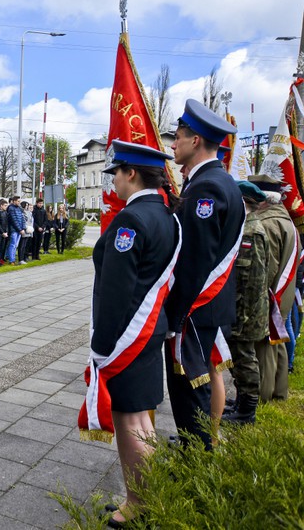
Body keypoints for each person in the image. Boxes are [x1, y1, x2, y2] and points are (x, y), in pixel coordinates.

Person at [78, 140, 181, 529]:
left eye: (116, 173)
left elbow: (118, 291)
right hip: (150, 329)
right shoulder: (166, 216)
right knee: (142, 420)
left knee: (129, 420)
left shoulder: (131, 221)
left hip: (128, 337)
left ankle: (139, 504)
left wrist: (102, 347)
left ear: (131, 174)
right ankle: (143, 496)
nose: (114, 182)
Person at [164, 99, 245, 450]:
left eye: (178, 138)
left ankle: (195, 462)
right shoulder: (220, 181)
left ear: (195, 140)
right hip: (211, 307)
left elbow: (194, 260)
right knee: (205, 382)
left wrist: (173, 315)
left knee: (191, 389)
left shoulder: (206, 188)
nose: (172, 145)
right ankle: (203, 447)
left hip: (197, 310)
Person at [248, 173, 299, 402]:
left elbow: (265, 267)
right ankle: (278, 391)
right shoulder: (285, 220)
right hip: (283, 291)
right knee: (277, 340)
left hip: (269, 292)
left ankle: (262, 395)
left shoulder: (268, 223)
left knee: (264, 345)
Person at [222, 181, 268, 425]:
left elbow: (252, 280)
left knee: (245, 359)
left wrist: (242, 316)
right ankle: (241, 400)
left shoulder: (251, 233)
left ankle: (247, 411)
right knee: (239, 358)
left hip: (246, 312)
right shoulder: (243, 228)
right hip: (241, 309)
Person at [6, 195, 26, 264]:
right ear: (14, 201)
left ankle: (13, 258)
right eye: (18, 201)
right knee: (13, 245)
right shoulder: (11, 208)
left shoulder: (19, 208)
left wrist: (23, 228)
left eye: (19, 201)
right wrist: (20, 229)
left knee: (15, 245)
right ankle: (11, 260)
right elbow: (13, 220)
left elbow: (22, 218)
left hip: (19, 230)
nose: (19, 202)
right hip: (14, 230)